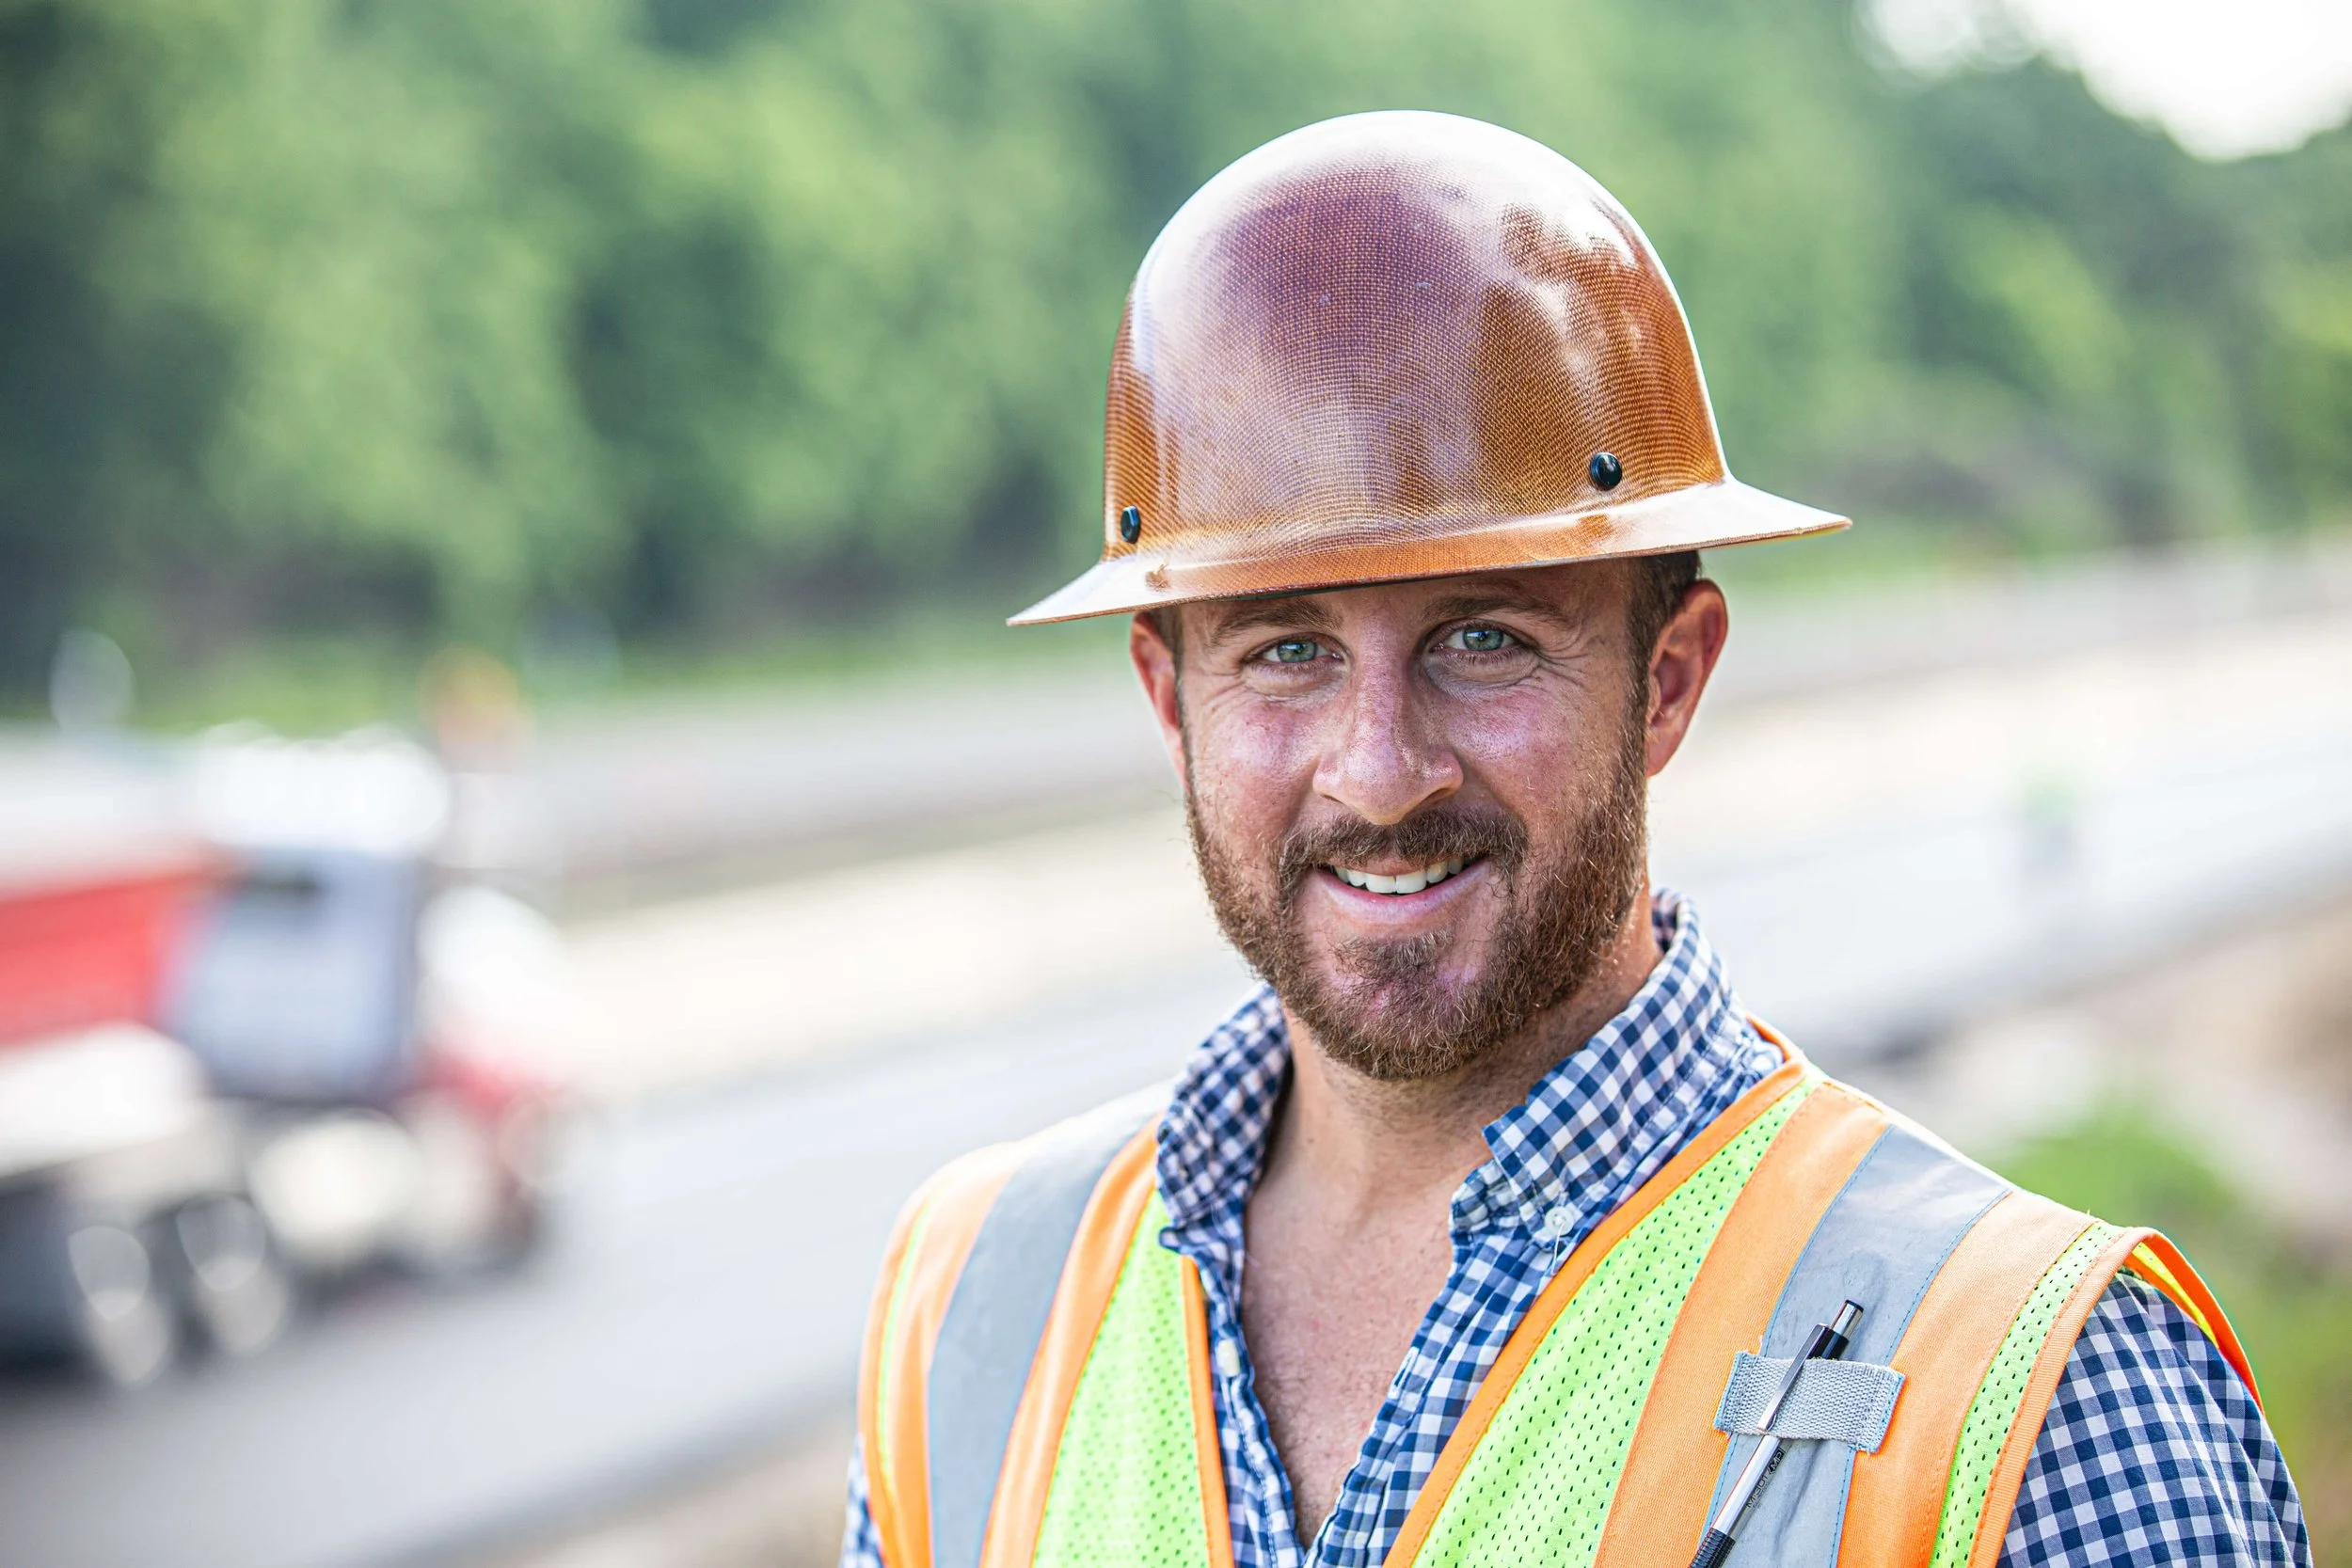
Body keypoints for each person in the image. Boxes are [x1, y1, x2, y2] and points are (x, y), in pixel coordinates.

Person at [841, 112, 2309, 1568]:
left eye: (1483, 639)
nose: (1381, 772)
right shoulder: (972, 1305)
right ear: (1171, 698)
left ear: (1666, 679)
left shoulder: (2038, 1394)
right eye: (1284, 651)